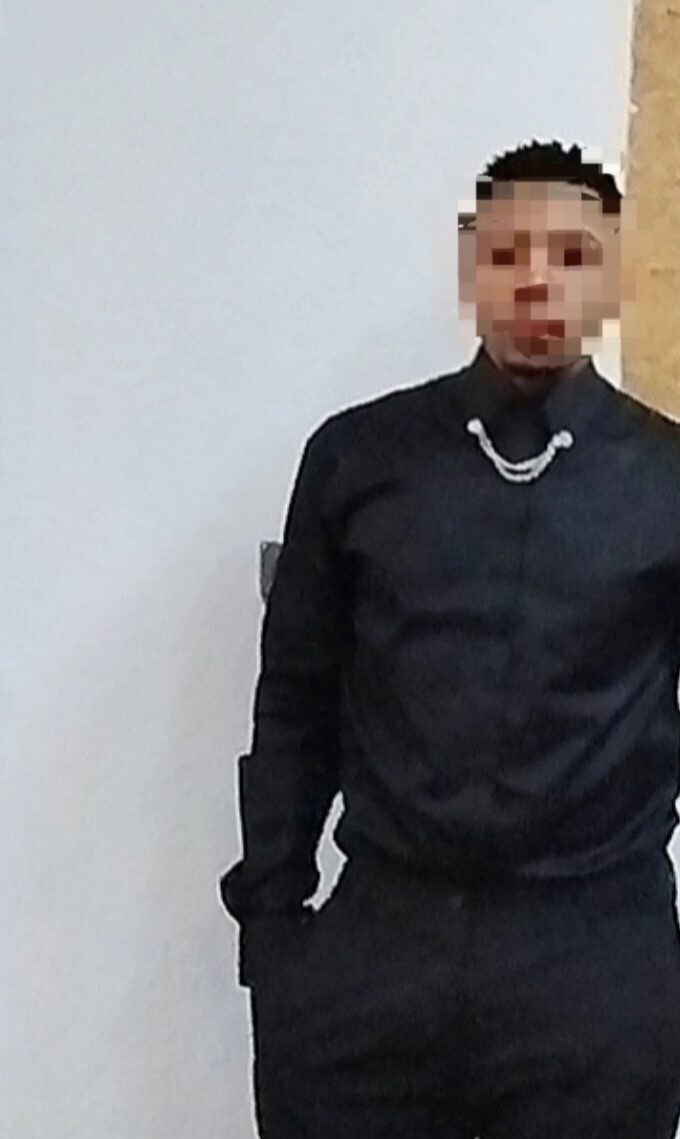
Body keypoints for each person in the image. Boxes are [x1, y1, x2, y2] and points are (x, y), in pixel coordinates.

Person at [219, 139, 680, 1139]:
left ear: (612, 277)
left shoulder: (665, 482)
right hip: (376, 951)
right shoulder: (358, 459)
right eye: (509, 253)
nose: (538, 281)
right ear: (471, 266)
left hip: (594, 961)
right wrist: (274, 935)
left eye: (572, 255)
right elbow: (293, 700)